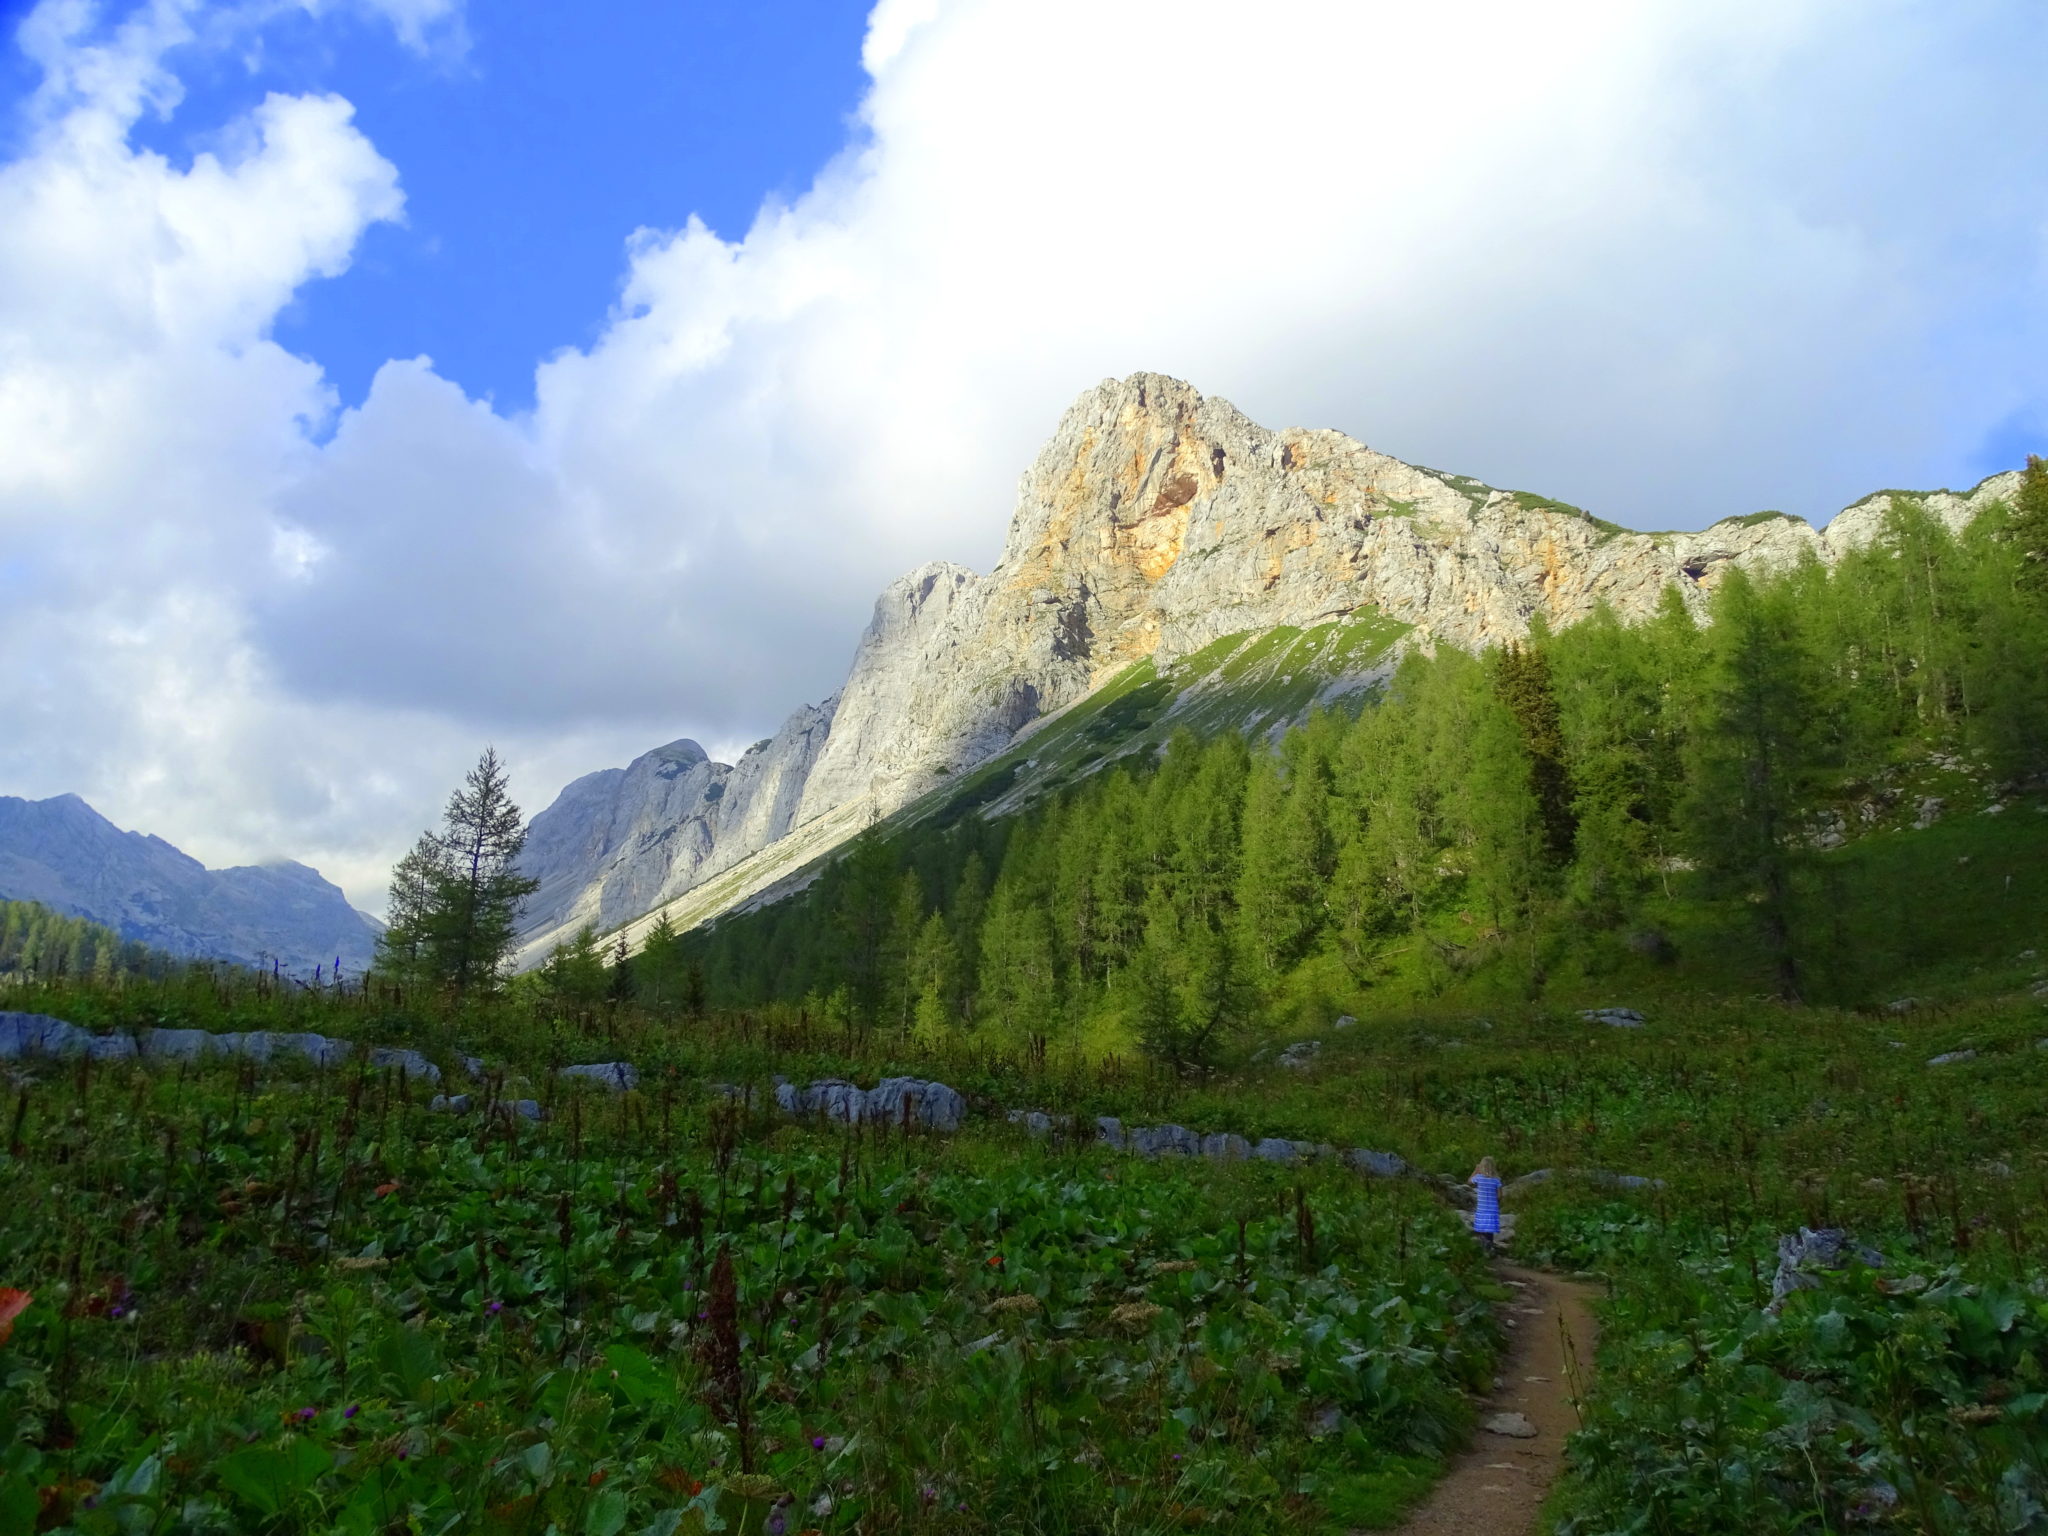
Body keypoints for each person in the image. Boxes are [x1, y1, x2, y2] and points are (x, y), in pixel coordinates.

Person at [1470, 1156, 1502, 1252]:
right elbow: (1500, 1196)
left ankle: (1485, 1246)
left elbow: (1469, 1182)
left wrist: (1475, 1170)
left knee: (1481, 1228)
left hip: (1482, 1209)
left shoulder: (1478, 1178)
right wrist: (1495, 1201)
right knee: (1490, 1229)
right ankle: (1490, 1246)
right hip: (1493, 1209)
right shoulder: (1496, 1180)